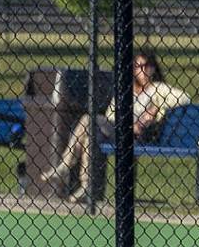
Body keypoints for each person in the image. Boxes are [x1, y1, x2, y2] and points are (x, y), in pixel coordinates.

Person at [41, 50, 189, 202]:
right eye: (139, 66)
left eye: (147, 66)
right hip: (118, 129)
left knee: (88, 121)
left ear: (153, 68)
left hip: (138, 136)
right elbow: (111, 114)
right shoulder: (127, 89)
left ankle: (65, 167)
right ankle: (86, 187)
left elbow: (184, 98)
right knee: (92, 135)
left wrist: (157, 109)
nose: (143, 70)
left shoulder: (158, 88)